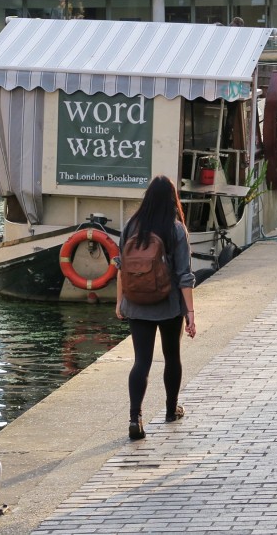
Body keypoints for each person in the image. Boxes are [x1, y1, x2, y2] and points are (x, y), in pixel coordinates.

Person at [115, 175, 197, 441]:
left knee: (142, 361)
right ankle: (171, 410)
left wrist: (120, 302)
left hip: (137, 304)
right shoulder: (175, 229)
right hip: (168, 304)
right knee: (172, 357)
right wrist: (191, 314)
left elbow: (122, 267)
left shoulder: (131, 225)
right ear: (172, 200)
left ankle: (135, 418)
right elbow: (184, 275)